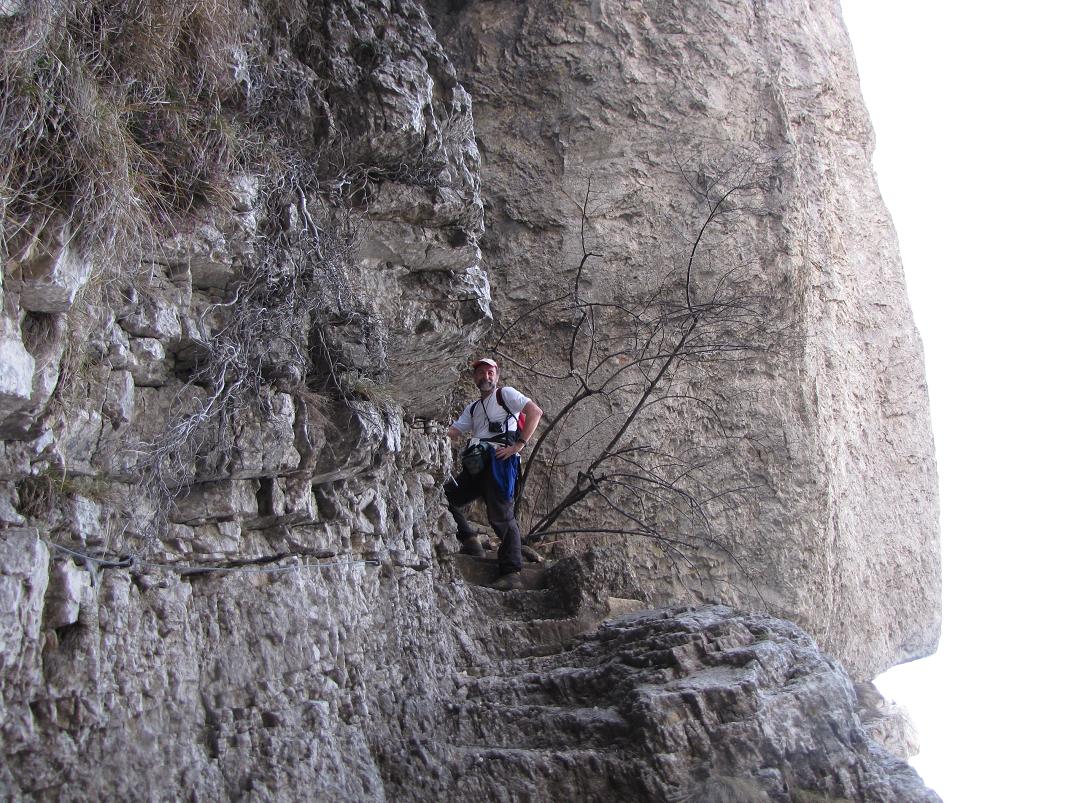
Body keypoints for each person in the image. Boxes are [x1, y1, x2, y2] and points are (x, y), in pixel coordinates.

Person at [445, 358, 542, 591]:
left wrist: (519, 445)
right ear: (474, 378)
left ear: (496, 375)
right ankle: (470, 540)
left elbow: (535, 412)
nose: (485, 377)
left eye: (490, 372)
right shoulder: (474, 408)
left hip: (501, 462)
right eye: (480, 373)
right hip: (477, 464)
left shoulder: (505, 394)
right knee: (446, 496)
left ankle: (512, 573)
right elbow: (455, 430)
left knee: (501, 515)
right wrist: (432, 427)